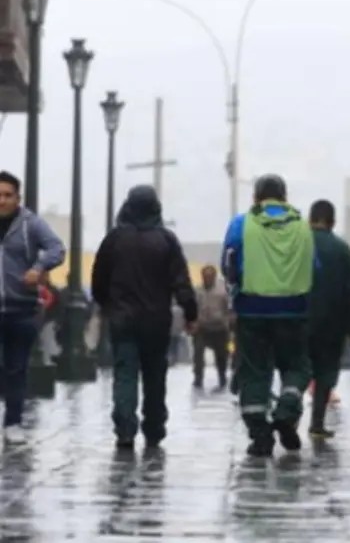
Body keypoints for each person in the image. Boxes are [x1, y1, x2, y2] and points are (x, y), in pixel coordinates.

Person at [92, 185, 197, 450]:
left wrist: (106, 304)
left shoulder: (114, 239)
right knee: (154, 374)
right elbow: (181, 282)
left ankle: (125, 427)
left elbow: (99, 279)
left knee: (125, 372)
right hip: (155, 321)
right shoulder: (166, 240)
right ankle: (154, 426)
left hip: (122, 319)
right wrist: (190, 312)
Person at [221, 174, 314, 457]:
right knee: (296, 368)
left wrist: (237, 289)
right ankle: (286, 410)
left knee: (254, 371)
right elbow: (315, 268)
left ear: (256, 197)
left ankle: (260, 435)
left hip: (252, 310)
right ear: (285, 197)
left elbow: (228, 263)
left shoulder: (241, 224)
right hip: (294, 310)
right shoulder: (302, 226)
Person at [0, 171, 66, 444]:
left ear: (18, 198)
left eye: (7, 195)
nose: (1, 201)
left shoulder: (30, 225)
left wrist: (38, 268)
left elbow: (57, 249)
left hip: (20, 308)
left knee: (17, 369)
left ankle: (13, 422)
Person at [306, 199, 350, 439]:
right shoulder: (343, 250)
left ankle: (287, 416)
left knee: (298, 369)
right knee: (325, 373)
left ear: (310, 220)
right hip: (333, 325)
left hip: (299, 320)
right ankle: (317, 423)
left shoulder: (297, 246)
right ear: (333, 221)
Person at [193, 265, 231, 391]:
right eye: (205, 276)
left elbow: (228, 308)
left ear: (214, 276)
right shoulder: (197, 291)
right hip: (202, 327)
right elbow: (192, 308)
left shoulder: (222, 291)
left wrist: (228, 322)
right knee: (198, 352)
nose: (207, 279)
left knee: (221, 355)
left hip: (219, 328)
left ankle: (222, 377)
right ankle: (198, 377)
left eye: (210, 276)